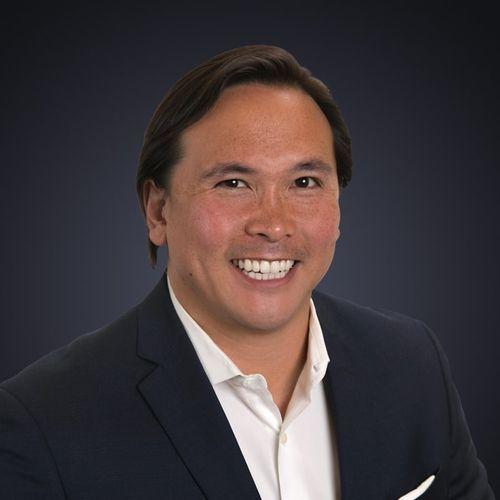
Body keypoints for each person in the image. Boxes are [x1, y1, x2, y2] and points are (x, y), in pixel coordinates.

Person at [0, 46, 494, 500]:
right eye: (233, 183)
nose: (273, 224)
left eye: (305, 182)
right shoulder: (43, 423)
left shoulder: (412, 364)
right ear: (157, 210)